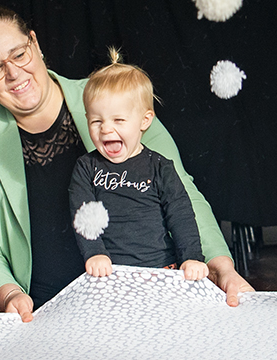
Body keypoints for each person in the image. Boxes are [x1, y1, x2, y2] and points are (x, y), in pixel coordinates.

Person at [0, 5, 247, 319]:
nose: (13, 73)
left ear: (34, 44)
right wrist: (9, 295)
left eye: (19, 54)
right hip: (38, 314)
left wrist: (221, 267)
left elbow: (183, 196)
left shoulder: (117, 99)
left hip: (141, 302)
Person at [67, 52, 211, 284]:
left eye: (118, 120)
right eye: (96, 121)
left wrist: (192, 257)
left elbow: (181, 215)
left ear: (145, 120)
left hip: (163, 269)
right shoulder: (86, 168)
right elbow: (82, 215)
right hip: (111, 274)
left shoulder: (160, 166)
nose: (106, 129)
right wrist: (94, 253)